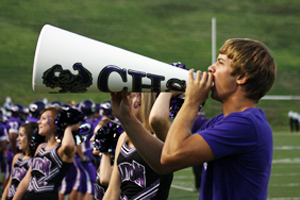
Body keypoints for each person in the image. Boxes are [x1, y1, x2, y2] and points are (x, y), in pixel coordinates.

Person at [110, 38, 277, 199]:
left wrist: (192, 101)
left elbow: (171, 154)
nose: (211, 68)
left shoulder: (246, 125)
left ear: (241, 77)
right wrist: (127, 119)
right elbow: (163, 161)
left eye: (220, 63)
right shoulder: (220, 122)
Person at [103, 93, 173, 200]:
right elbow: (113, 190)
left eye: (132, 96)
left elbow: (158, 119)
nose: (127, 100)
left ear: (146, 99)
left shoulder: (161, 134)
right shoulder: (124, 137)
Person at [12, 107, 80, 200]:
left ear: (56, 122)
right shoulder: (41, 147)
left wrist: (68, 127)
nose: (38, 122)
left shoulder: (61, 150)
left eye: (43, 119)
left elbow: (67, 145)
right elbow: (27, 179)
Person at [2, 122, 45, 200]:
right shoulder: (17, 157)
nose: (18, 139)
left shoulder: (36, 161)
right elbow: (10, 183)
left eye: (21, 135)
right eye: (18, 135)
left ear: (31, 138)